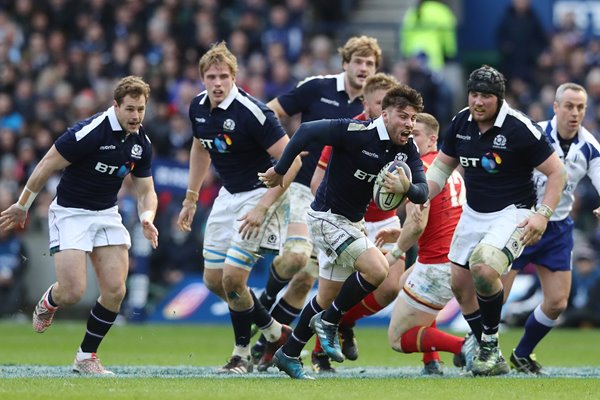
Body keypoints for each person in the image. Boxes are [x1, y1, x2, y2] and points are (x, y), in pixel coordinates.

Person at [259, 84, 428, 379]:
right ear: (385, 114)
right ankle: (332, 322)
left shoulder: (408, 148)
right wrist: (281, 169)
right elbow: (306, 131)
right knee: (378, 270)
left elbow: (423, 191)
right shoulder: (355, 131)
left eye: (414, 118)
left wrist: (407, 188)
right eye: (403, 116)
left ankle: (288, 354)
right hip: (325, 218)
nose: (410, 124)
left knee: (324, 298)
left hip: (351, 223)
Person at [0, 76, 160, 374]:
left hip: (106, 213)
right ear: (116, 106)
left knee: (115, 290)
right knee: (72, 291)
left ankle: (86, 356)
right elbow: (47, 163)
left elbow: (146, 190)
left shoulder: (141, 143)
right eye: (130, 109)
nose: (136, 116)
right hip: (71, 213)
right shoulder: (90, 131)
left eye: (141, 109)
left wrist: (147, 216)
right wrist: (23, 205)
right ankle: (50, 301)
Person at [424, 65, 566, 376]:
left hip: (513, 211)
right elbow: (441, 168)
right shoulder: (461, 121)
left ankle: (488, 343)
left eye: (486, 96)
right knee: (460, 286)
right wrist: (418, 191)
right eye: (474, 94)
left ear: (499, 99)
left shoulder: (519, 128)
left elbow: (557, 172)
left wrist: (542, 215)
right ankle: (490, 351)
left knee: (485, 267)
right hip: (473, 213)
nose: (478, 102)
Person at [253, 35, 382, 372]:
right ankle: (266, 301)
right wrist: (286, 148)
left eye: (370, 63)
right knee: (296, 255)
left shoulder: (373, 108)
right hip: (300, 188)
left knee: (307, 280)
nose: (364, 68)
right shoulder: (317, 87)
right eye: (359, 61)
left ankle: (269, 346)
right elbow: (269, 113)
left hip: (337, 205)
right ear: (345, 63)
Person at [176, 41, 301, 374]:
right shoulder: (198, 107)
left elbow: (292, 164)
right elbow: (201, 148)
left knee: (233, 278)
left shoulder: (254, 112)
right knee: (214, 281)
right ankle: (275, 332)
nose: (217, 83)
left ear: (234, 77)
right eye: (211, 76)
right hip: (227, 196)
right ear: (202, 78)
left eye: (223, 76)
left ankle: (241, 354)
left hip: (260, 194)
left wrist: (263, 206)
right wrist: (191, 197)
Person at [501, 82, 600, 374]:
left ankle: (521, 354)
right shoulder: (533, 134)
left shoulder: (590, 147)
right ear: (555, 107)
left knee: (557, 302)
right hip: (519, 222)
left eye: (580, 107)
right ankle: (477, 343)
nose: (575, 112)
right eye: (568, 106)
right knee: (497, 296)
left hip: (557, 229)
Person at [308, 72, 401, 370]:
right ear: (367, 103)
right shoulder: (349, 131)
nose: (387, 110)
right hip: (347, 221)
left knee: (389, 288)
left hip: (386, 222)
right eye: (380, 103)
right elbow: (317, 181)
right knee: (331, 291)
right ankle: (319, 354)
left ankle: (343, 322)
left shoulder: (400, 133)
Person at [374, 112, 475, 375]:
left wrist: (394, 253)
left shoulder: (422, 175)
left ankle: (466, 347)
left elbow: (418, 224)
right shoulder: (448, 171)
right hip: (454, 260)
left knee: (397, 339)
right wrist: (398, 233)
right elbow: (437, 222)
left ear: (433, 139)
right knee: (402, 282)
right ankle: (432, 362)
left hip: (437, 265)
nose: (409, 138)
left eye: (415, 134)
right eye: (408, 133)